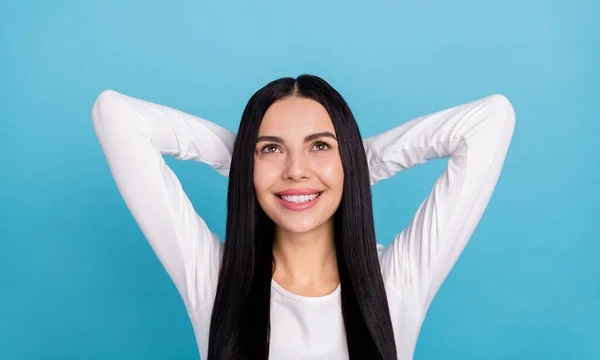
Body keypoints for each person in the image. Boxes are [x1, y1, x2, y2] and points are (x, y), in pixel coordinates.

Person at [91, 74, 515, 360]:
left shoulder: (397, 281)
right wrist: (246, 168)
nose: (295, 169)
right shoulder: (216, 279)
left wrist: (352, 162)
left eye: (319, 146)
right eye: (271, 149)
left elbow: (490, 120)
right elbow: (115, 115)